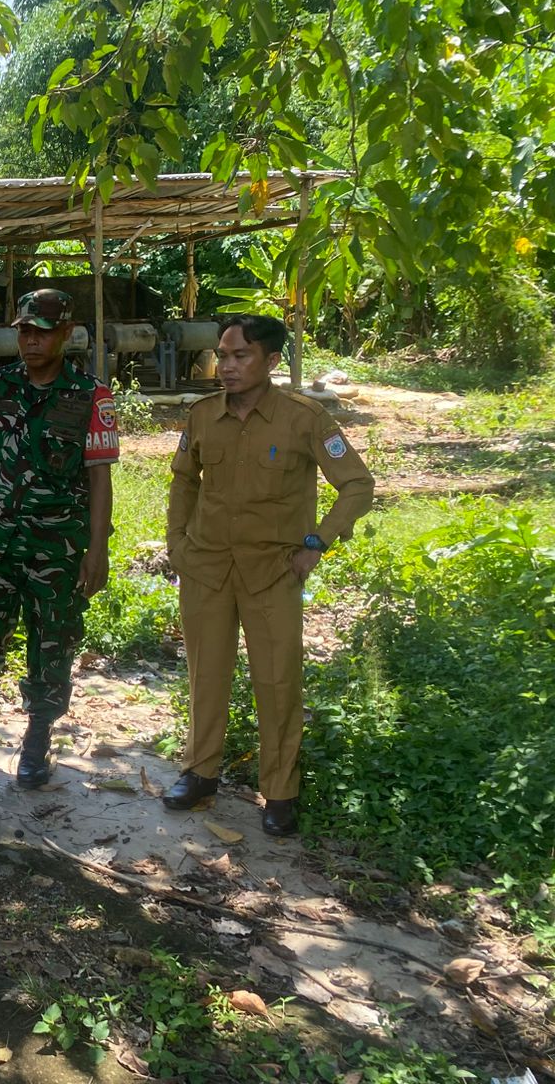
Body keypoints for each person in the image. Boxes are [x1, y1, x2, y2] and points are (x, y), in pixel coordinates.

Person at [164, 314, 374, 836]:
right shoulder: (202, 416)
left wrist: (316, 544)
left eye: (241, 356)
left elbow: (357, 485)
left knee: (278, 683)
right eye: (223, 355)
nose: (227, 366)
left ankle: (280, 792)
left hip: (273, 572)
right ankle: (200, 773)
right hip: (207, 568)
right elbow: (184, 481)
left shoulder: (304, 419)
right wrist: (177, 545)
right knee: (205, 676)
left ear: (272, 361)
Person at [0, 289, 118, 787]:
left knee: (53, 640)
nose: (31, 341)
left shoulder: (91, 396)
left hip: (58, 547)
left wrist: (98, 548)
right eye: (24, 331)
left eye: (42, 332)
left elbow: (100, 477)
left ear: (65, 333)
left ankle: (38, 739)